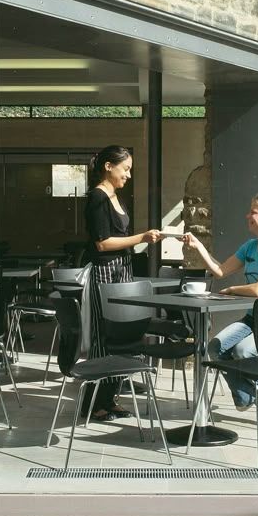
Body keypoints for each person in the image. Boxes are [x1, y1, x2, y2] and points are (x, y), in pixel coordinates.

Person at [182, 193, 258, 421]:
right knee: (215, 348)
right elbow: (220, 271)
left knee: (242, 351)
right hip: (253, 319)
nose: (247, 215)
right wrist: (198, 246)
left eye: (253, 212)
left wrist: (233, 289)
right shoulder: (250, 247)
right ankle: (252, 393)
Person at [83, 145, 161, 421]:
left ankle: (110, 398)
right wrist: (142, 238)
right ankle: (94, 403)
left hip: (122, 270)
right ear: (108, 166)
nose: (128, 175)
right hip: (105, 272)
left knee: (122, 332)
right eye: (125, 169)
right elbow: (103, 243)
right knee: (103, 334)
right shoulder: (97, 198)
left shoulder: (115, 197)